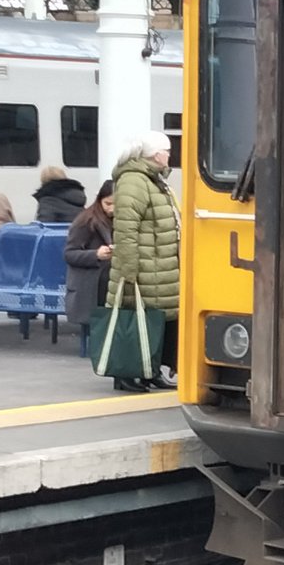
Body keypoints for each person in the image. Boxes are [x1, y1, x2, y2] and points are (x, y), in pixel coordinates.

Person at [106, 132, 179, 393]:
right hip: (144, 267)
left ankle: (151, 370)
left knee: (155, 321)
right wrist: (129, 271)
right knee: (136, 321)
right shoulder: (134, 181)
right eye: (166, 150)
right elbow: (126, 230)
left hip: (157, 265)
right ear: (156, 154)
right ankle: (127, 374)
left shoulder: (152, 179)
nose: (169, 155)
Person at [64, 180, 113, 331]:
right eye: (108, 203)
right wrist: (95, 255)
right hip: (91, 285)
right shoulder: (85, 221)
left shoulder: (123, 220)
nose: (112, 209)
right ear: (99, 200)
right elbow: (69, 254)